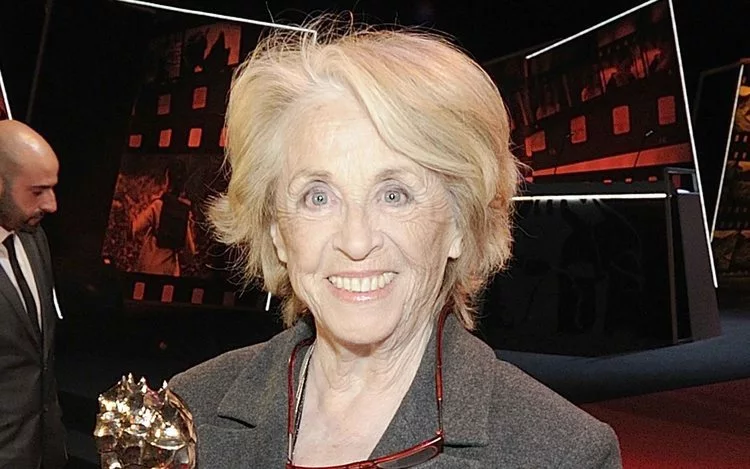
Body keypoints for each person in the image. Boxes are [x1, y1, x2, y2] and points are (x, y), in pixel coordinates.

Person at [170, 18, 622, 468]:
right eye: (318, 197)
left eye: (394, 195)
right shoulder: (189, 412)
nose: (356, 240)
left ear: (459, 223)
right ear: (277, 232)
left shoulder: (564, 454)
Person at [0, 120, 66, 469]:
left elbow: (39, 359)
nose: (52, 205)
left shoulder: (34, 237)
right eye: (38, 191)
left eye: (52, 188)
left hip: (44, 452)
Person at [130, 164, 197, 276]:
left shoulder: (157, 205)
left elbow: (134, 227)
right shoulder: (183, 212)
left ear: (168, 182)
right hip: (170, 271)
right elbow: (190, 253)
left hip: (149, 266)